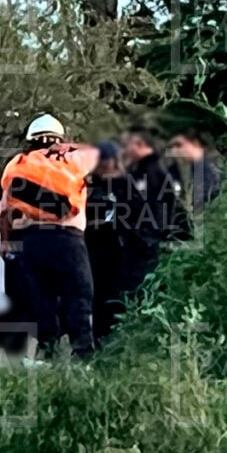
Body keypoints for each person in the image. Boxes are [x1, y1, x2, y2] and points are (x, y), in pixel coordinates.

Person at [0, 114, 99, 358]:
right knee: (79, 296)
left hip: (30, 240)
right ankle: (83, 356)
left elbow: (5, 212)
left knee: (40, 300)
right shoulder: (71, 156)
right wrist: (74, 145)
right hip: (68, 240)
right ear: (60, 138)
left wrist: (5, 242)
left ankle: (47, 354)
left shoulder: (19, 162)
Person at [118, 126, 180, 295]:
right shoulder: (140, 170)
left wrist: (144, 234)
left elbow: (161, 208)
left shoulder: (153, 171)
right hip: (139, 242)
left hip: (145, 246)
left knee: (138, 290)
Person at [85, 140, 127, 344]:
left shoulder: (122, 184)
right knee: (97, 295)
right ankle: (100, 338)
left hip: (113, 245)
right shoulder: (85, 184)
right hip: (91, 244)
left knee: (110, 294)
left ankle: (109, 339)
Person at [167, 130, 221, 217]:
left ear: (194, 143)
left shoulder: (208, 168)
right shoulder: (175, 169)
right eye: (171, 147)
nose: (175, 150)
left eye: (179, 145)